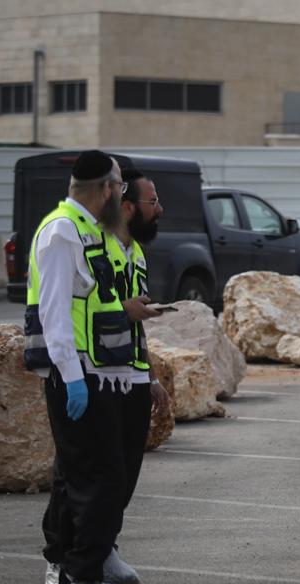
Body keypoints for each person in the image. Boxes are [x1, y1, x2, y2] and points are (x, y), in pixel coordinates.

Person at [24, 150, 153, 584]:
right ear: (106, 188)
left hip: (101, 374)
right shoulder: (62, 231)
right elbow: (55, 314)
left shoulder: (90, 231)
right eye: (120, 187)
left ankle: (91, 571)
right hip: (78, 376)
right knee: (93, 481)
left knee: (104, 478)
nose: (122, 195)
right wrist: (73, 379)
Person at [106, 169, 171, 542]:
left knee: (127, 473)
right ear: (128, 206)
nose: (160, 209)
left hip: (131, 376)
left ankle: (106, 548)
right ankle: (66, 560)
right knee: (96, 474)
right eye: (153, 201)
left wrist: (149, 377)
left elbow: (136, 323)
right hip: (98, 376)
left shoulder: (137, 254)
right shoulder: (99, 249)